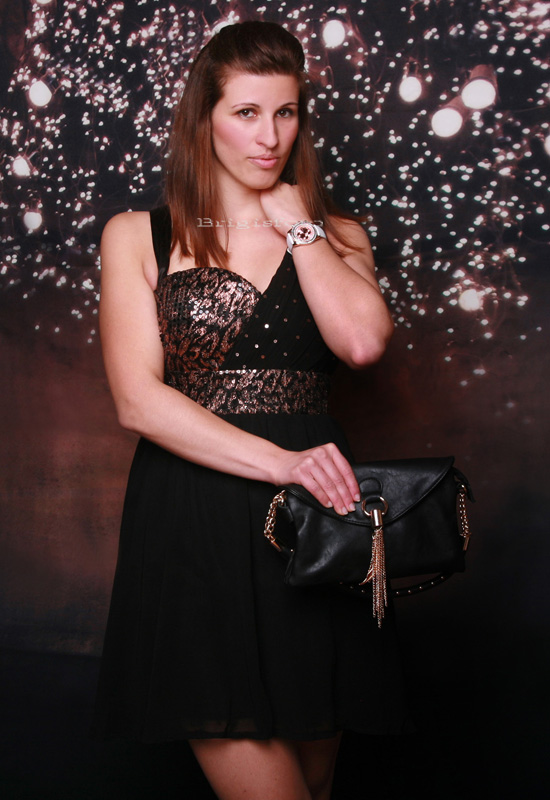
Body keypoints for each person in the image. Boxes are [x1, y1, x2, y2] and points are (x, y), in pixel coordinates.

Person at [92, 20, 408, 800]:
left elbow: (363, 343)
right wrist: (282, 463)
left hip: (318, 526)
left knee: (316, 784)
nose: (269, 137)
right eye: (246, 113)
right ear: (203, 118)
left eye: (286, 112)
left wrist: (298, 224)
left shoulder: (335, 234)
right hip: (194, 514)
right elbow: (137, 400)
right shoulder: (138, 235)